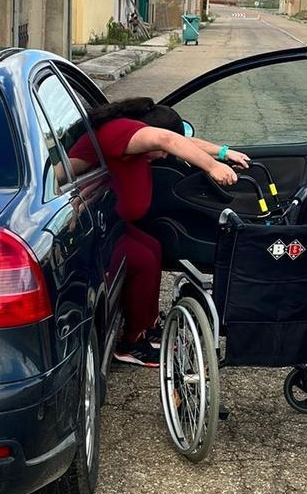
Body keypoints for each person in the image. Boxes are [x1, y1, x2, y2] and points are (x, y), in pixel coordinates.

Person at [68, 98, 250, 367]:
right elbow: (167, 139)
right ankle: (131, 344)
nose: (165, 156)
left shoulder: (136, 134)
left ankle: (146, 326)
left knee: (152, 249)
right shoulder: (120, 132)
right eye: (161, 151)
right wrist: (212, 167)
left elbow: (178, 141)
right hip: (92, 225)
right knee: (141, 260)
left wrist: (223, 153)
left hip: (114, 222)